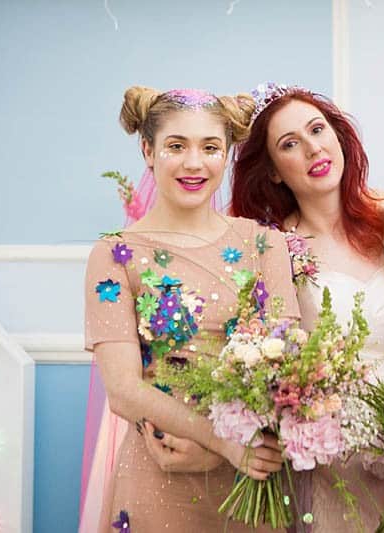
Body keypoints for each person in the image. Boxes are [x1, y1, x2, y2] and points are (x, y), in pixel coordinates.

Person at [80, 86, 301, 532]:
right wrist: (222, 443)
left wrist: (229, 449)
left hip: (252, 479)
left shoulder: (264, 244)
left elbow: (293, 364)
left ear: (228, 153)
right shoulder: (115, 254)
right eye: (177, 146)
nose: (194, 163)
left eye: (210, 147)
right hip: (160, 475)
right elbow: (123, 389)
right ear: (148, 150)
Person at [230, 83, 384, 532]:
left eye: (317, 130)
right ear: (273, 172)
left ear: (338, 136)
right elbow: (273, 372)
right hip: (328, 473)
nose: (313, 149)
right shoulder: (274, 251)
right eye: (290, 144)